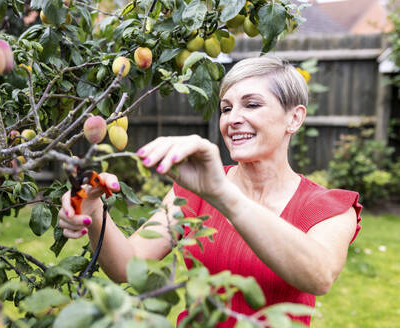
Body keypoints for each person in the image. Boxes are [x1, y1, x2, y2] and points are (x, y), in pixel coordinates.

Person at [58, 56, 362, 326]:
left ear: (294, 118)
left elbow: (318, 276)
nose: (232, 119)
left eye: (252, 104)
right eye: (226, 108)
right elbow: (128, 266)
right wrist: (95, 210)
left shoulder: (329, 207)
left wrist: (222, 195)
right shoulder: (194, 192)